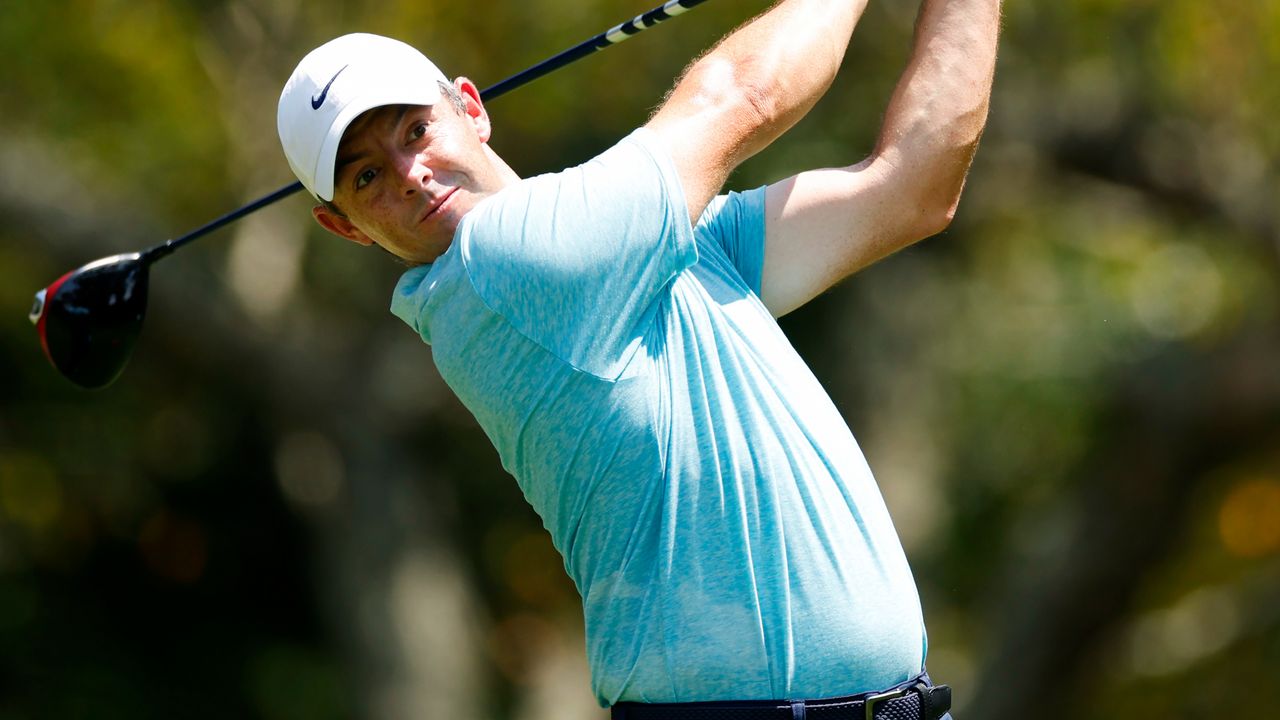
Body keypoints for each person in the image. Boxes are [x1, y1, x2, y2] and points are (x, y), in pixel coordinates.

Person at [277, 0, 1000, 716]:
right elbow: (741, 93)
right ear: (343, 227)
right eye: (366, 175)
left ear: (471, 107)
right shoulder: (511, 265)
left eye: (415, 129)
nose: (409, 173)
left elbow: (913, 186)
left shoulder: (643, 256)